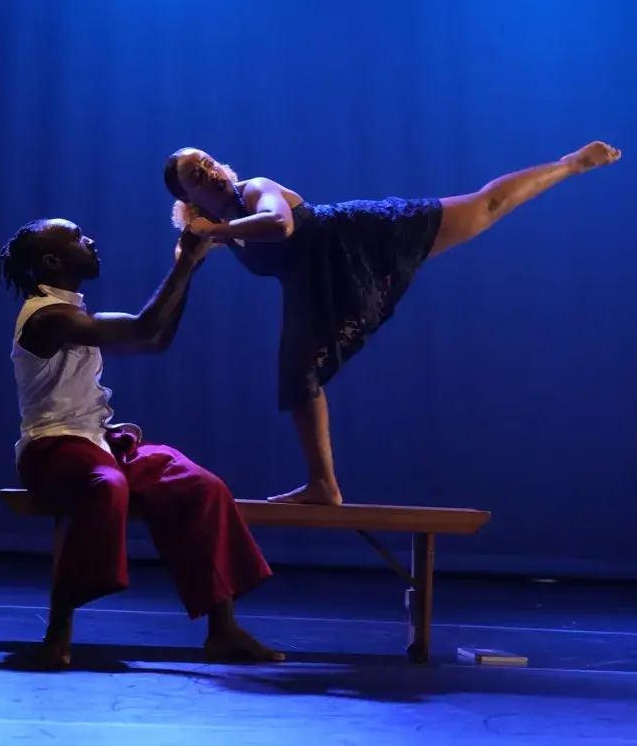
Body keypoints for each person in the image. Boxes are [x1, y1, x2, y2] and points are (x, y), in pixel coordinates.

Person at [164, 141, 621, 506]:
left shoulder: (254, 190)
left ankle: (571, 163)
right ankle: (324, 485)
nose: (210, 173)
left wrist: (215, 232)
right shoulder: (216, 228)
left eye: (208, 163)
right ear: (188, 199)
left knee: (485, 206)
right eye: (197, 176)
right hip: (313, 287)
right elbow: (185, 265)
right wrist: (191, 251)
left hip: (357, 239)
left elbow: (279, 225)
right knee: (296, 377)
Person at [0, 217, 285, 668]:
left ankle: (223, 630)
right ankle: (57, 634)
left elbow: (154, 339)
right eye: (77, 237)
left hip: (96, 443)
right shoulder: (47, 316)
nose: (90, 240)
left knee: (200, 485)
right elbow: (144, 325)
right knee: (105, 484)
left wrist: (189, 269)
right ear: (52, 260)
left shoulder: (75, 314)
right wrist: (183, 264)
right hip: (51, 449)